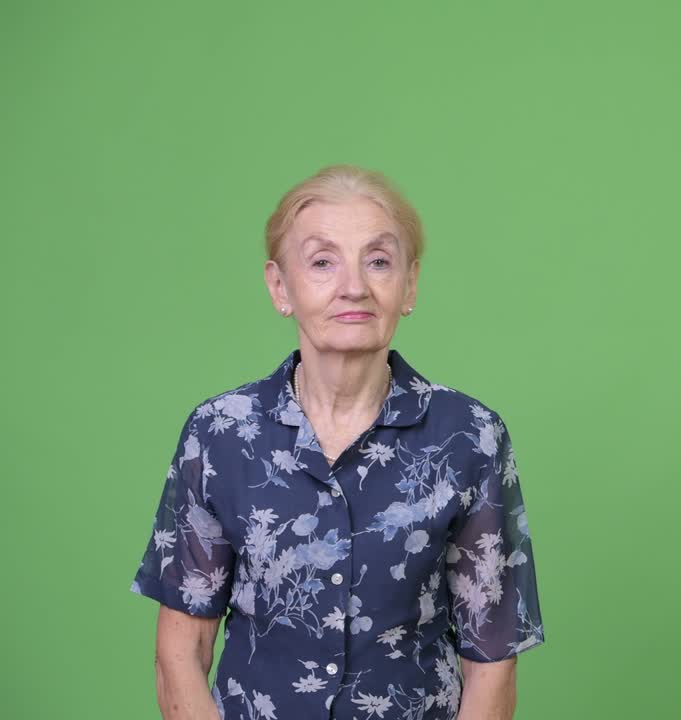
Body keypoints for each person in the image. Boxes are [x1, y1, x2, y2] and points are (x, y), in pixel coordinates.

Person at [131, 165, 543, 720]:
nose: (354, 286)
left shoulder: (470, 436)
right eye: (323, 262)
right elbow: (182, 653)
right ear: (280, 286)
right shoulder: (219, 434)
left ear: (409, 285)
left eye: (378, 261)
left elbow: (492, 661)